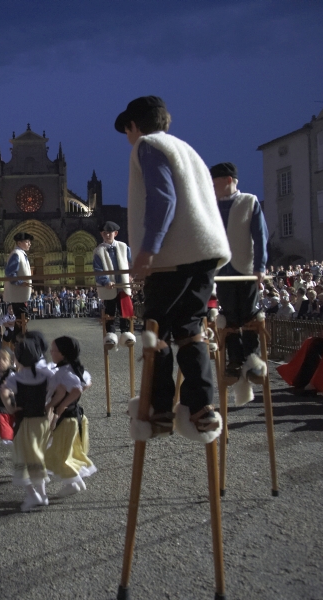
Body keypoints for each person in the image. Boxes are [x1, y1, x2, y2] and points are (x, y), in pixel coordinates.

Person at [115, 95, 231, 440]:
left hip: (174, 256)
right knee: (190, 329)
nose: (128, 137)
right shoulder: (186, 149)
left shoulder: (148, 146)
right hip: (205, 251)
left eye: (127, 130)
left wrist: (147, 251)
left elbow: (162, 199)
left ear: (134, 125)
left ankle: (159, 408)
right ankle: (201, 407)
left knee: (156, 329)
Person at [210, 162, 269, 381]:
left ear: (228, 180)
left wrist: (260, 267)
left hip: (245, 268)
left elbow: (260, 237)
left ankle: (252, 360)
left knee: (249, 315)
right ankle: (234, 360)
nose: (212, 187)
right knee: (228, 316)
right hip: (222, 270)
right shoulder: (211, 205)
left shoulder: (249, 201)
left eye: (215, 182)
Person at [0, 336, 55, 512]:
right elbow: (59, 388)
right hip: (43, 421)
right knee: (37, 457)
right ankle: (42, 494)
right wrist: (50, 405)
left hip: (25, 422)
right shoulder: (46, 375)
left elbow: (4, 390)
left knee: (22, 458)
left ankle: (32, 494)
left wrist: (10, 407)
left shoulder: (17, 378)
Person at [44, 336, 95, 498]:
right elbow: (86, 383)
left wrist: (62, 405)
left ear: (63, 354)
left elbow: (77, 390)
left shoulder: (64, 373)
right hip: (75, 417)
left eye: (54, 350)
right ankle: (76, 481)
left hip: (67, 420)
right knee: (69, 452)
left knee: (57, 455)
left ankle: (72, 483)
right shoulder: (75, 368)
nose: (51, 352)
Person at [93, 221, 134, 350]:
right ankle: (110, 335)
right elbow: (98, 270)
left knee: (124, 309)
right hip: (109, 286)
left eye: (109, 233)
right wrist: (106, 281)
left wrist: (131, 275)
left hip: (122, 284)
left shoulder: (123, 247)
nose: (107, 235)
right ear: (101, 234)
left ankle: (126, 333)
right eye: (104, 233)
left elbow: (131, 263)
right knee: (109, 310)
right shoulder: (98, 251)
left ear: (115, 233)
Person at [3, 232, 34, 340]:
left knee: (22, 319)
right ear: (19, 243)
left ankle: (19, 341)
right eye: (27, 241)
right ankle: (19, 341)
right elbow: (11, 274)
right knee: (22, 319)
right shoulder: (16, 254)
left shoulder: (21, 254)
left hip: (20, 295)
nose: (29, 244)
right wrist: (21, 283)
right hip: (17, 295)